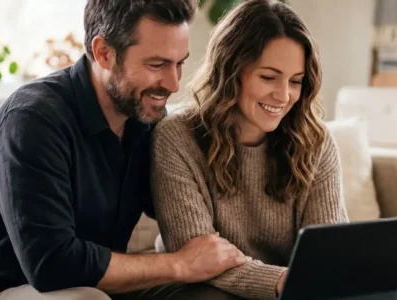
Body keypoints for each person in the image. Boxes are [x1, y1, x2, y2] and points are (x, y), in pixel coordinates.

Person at [0, 1, 250, 299]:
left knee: (209, 294)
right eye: (157, 64)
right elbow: (52, 263)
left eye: (179, 64)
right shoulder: (33, 120)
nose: (173, 84)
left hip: (88, 287)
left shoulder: (145, 117)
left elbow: (187, 205)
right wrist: (180, 264)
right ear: (103, 53)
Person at [149, 1, 349, 299]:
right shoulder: (176, 137)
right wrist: (282, 280)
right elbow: (195, 256)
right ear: (230, 70)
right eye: (268, 77)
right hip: (200, 289)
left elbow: (327, 252)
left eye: (295, 81)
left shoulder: (315, 141)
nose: (283, 96)